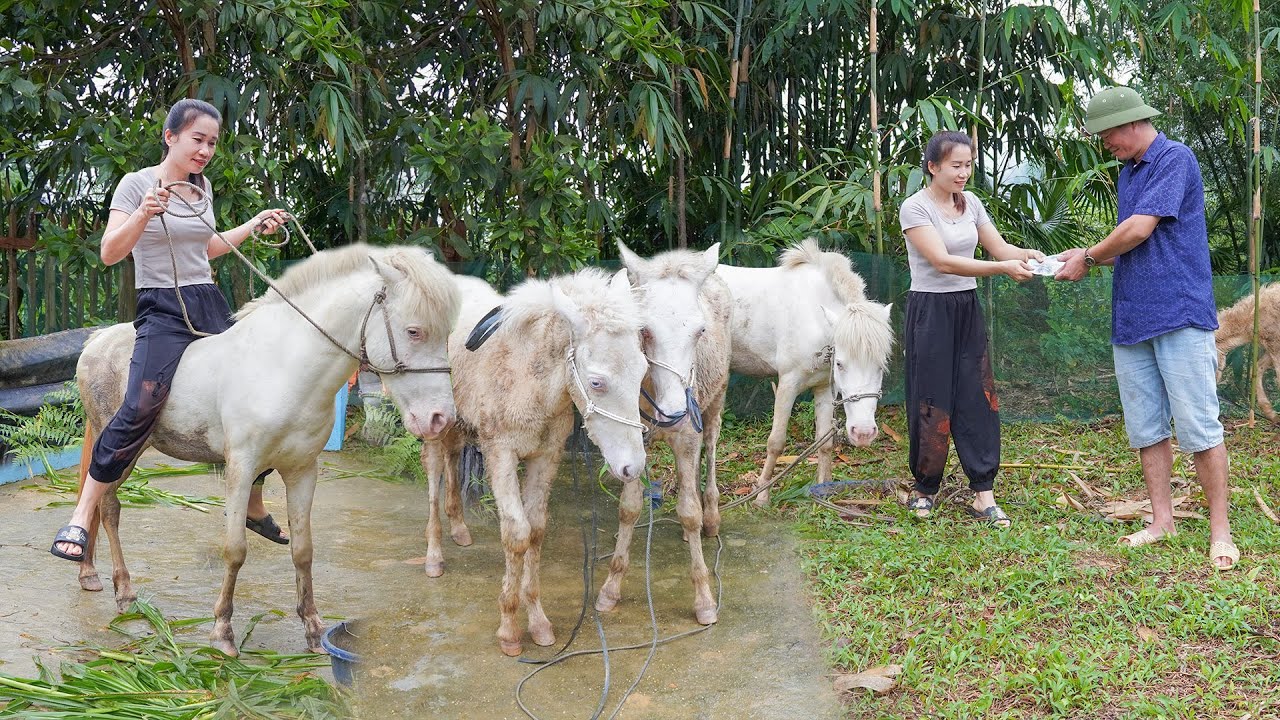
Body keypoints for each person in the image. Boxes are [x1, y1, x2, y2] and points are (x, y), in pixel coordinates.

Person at [51, 99, 292, 561]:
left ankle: (253, 503)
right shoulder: (136, 184)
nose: (205, 151)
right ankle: (82, 513)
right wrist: (143, 214)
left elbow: (205, 249)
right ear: (171, 137)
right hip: (161, 307)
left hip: (208, 301)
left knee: (258, 394)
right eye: (197, 140)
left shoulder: (203, 191)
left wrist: (252, 225)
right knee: (141, 402)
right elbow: (109, 253)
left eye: (212, 143)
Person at [1055, 86, 1238, 570]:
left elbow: (1138, 230)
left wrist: (1089, 255)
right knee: (1145, 428)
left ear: (1131, 122)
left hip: (1179, 312)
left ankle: (1220, 528)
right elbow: (1128, 243)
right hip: (1132, 317)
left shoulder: (1174, 158)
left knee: (1198, 424)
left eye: (1107, 134)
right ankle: (1162, 521)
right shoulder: (1126, 173)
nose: (1105, 144)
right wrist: (1081, 260)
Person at [899, 130, 1043, 528]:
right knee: (931, 398)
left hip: (966, 307)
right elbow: (942, 262)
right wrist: (1001, 269)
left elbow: (999, 249)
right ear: (933, 167)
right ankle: (925, 488)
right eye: (956, 166)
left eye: (968, 165)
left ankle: (984, 493)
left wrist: (1026, 256)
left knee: (978, 397)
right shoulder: (915, 208)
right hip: (929, 309)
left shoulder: (972, 203)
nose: (964, 174)